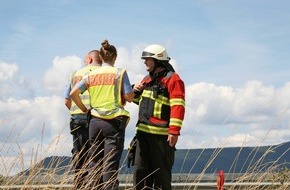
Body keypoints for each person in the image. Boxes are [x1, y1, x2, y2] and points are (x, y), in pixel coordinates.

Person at [70, 39, 134, 190]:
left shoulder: (91, 75)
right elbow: (129, 97)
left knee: (94, 163)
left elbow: (73, 93)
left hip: (94, 122)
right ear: (115, 57)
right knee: (110, 166)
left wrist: (85, 109)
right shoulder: (119, 73)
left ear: (101, 56)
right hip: (113, 122)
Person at [131, 44, 185, 190]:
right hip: (142, 136)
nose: (144, 62)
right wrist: (134, 90)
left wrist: (174, 131)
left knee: (161, 179)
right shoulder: (146, 79)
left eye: (147, 59)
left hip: (161, 139)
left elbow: (178, 106)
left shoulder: (173, 79)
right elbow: (139, 103)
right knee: (140, 176)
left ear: (158, 60)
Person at [64, 50, 102, 189]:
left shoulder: (75, 74)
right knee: (97, 157)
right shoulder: (103, 74)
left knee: (80, 158)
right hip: (98, 120)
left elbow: (67, 101)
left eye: (85, 59)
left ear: (91, 59)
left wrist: (78, 111)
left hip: (78, 121)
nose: (84, 61)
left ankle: (80, 186)